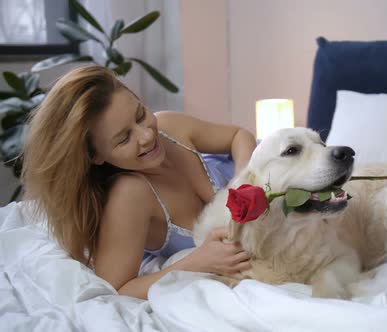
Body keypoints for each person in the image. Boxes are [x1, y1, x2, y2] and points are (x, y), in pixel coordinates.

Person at [21, 65, 257, 300]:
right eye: (124, 139)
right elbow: (119, 287)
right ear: (96, 157)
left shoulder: (169, 126)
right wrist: (199, 262)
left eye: (141, 115)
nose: (146, 136)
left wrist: (242, 183)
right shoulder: (130, 195)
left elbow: (239, 136)